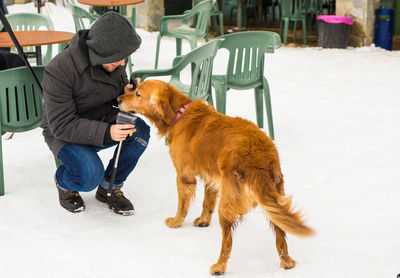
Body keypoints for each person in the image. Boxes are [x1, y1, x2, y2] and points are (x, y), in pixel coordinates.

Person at [41, 11, 150, 215]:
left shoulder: (114, 58)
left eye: (125, 58)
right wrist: (107, 132)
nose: (122, 64)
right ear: (100, 53)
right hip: (64, 131)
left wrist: (125, 94)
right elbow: (61, 124)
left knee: (140, 134)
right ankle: (64, 183)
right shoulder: (59, 69)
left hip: (101, 117)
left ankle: (110, 186)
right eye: (117, 60)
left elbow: (110, 89)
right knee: (89, 175)